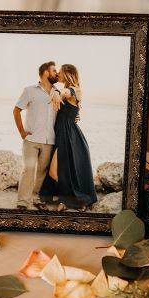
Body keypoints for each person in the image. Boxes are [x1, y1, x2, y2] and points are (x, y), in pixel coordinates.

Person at [39, 63, 97, 211]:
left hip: (68, 135)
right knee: (59, 171)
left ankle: (72, 200)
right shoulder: (62, 89)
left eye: (60, 72)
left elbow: (66, 93)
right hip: (62, 134)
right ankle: (68, 199)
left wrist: (58, 92)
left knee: (55, 171)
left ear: (67, 73)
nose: (57, 74)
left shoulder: (74, 90)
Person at [13, 61, 60, 210]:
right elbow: (16, 110)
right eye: (54, 70)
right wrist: (22, 132)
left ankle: (36, 198)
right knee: (28, 169)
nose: (56, 73)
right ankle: (22, 202)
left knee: (42, 172)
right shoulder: (29, 91)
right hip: (31, 139)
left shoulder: (57, 92)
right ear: (46, 72)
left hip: (49, 140)